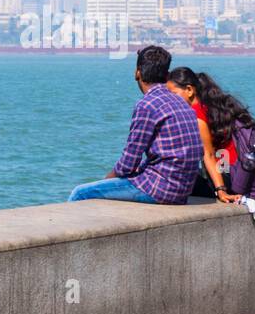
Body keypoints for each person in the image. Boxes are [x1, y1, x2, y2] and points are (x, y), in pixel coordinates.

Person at [68, 45, 203, 204]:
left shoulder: (147, 105)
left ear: (137, 73)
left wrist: (105, 181)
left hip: (160, 190)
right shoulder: (182, 103)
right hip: (183, 190)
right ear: (167, 75)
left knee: (80, 193)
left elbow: (128, 164)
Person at [167, 67, 244, 203]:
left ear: (190, 90)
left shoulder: (196, 115)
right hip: (239, 175)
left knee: (171, 180)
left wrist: (221, 190)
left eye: (173, 94)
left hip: (226, 180)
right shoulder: (214, 107)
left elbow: (208, 154)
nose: (170, 100)